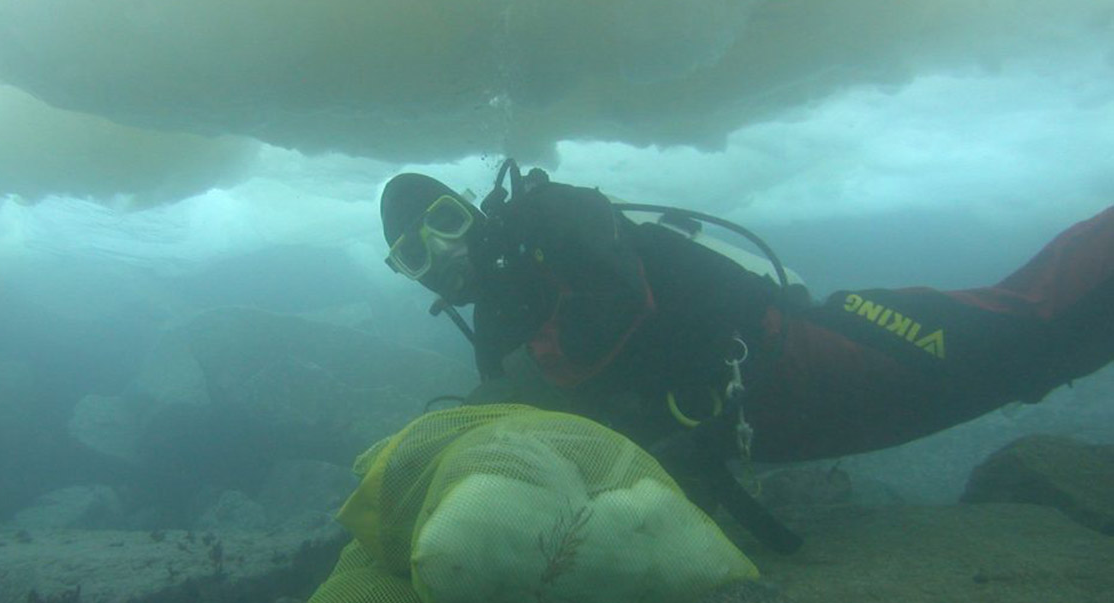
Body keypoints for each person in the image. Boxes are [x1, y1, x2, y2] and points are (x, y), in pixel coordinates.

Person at [379, 159, 1114, 550]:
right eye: (416, 252)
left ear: (476, 208)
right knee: (1021, 361)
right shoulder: (498, 333)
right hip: (759, 429)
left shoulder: (551, 216)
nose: (442, 250)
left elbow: (611, 314)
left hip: (807, 350)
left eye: (447, 220)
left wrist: (500, 406)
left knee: (1025, 335)